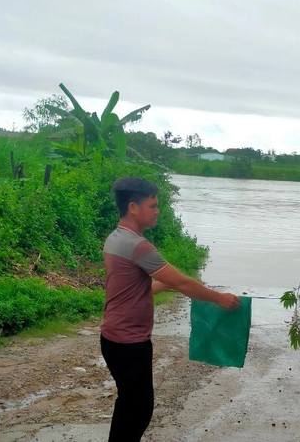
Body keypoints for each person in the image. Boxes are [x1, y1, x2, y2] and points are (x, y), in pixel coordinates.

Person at [100, 177, 240, 442]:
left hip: (113, 338)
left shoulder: (115, 239)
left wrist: (165, 284)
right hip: (129, 343)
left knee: (129, 403)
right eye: (152, 206)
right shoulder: (139, 246)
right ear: (133, 208)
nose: (157, 211)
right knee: (139, 409)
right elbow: (184, 283)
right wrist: (219, 298)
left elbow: (133, 290)